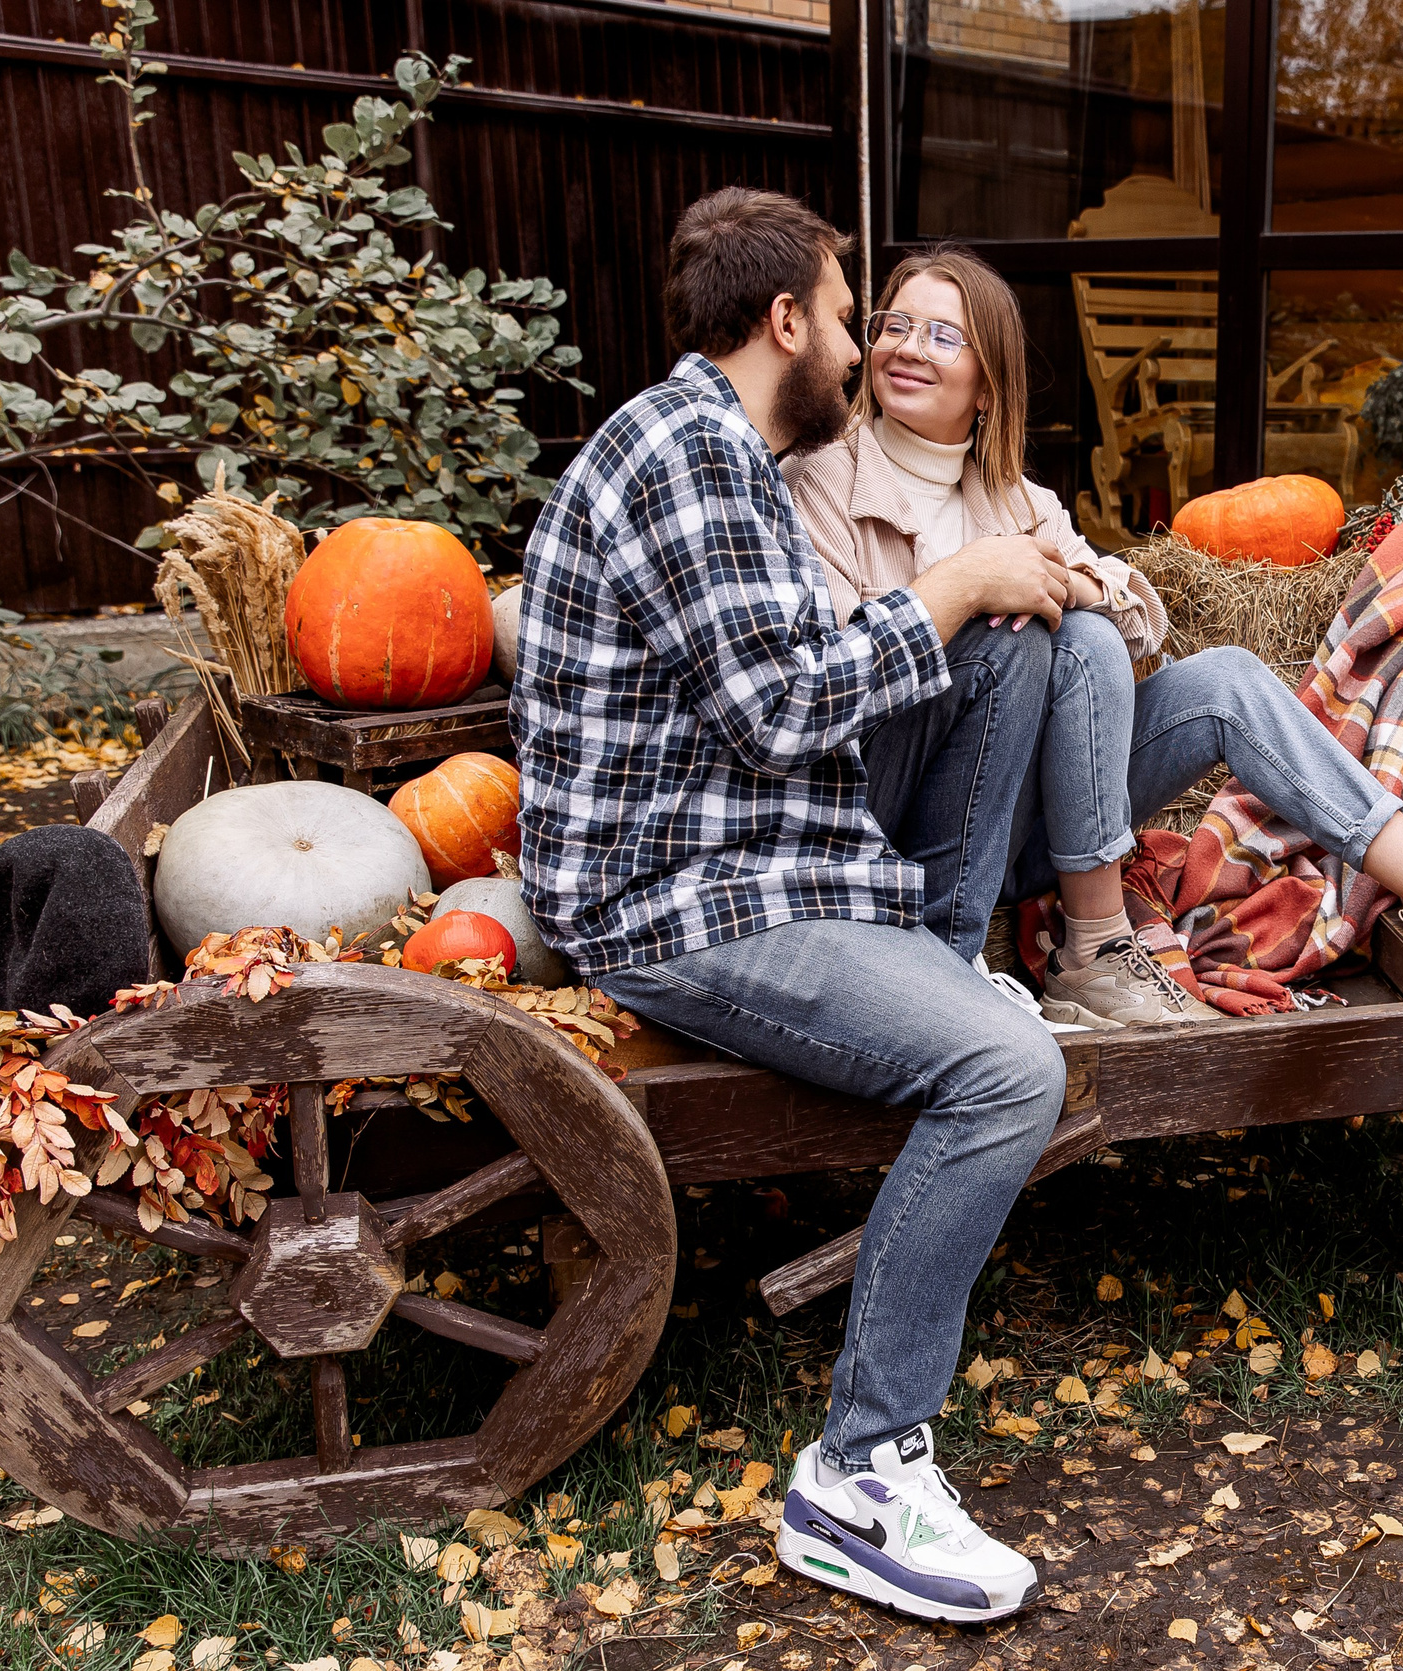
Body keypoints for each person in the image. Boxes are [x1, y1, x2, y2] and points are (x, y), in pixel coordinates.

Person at [509, 189, 1073, 1625]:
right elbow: (785, 706)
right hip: (667, 904)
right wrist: (953, 581)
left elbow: (784, 699)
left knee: (987, 1020)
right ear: (784, 324)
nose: (856, 341)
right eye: (842, 314)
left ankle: (869, 1457)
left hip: (731, 858)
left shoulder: (723, 450)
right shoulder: (688, 452)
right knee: (1011, 1069)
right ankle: (862, 1472)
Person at [782, 244, 1403, 1027]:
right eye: (893, 325)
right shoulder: (820, 478)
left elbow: (1146, 625)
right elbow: (836, 680)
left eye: (941, 335)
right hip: (898, 812)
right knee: (1061, 638)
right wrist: (974, 592)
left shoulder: (1017, 501)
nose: (906, 349)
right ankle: (1094, 947)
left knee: (1217, 674)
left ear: (988, 384)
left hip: (1025, 826)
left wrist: (1065, 581)